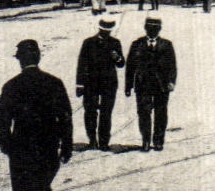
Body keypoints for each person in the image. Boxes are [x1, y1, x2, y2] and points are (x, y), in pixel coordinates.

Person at [0, 39, 73, 191]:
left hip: (20, 147)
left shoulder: (11, 86)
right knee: (42, 187)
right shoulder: (54, 83)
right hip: (48, 145)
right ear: (38, 58)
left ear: (20, 61)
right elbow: (65, 116)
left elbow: (1, 119)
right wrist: (66, 146)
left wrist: (6, 145)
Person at [126, 17, 178, 152]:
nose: (152, 31)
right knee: (144, 113)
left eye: (155, 29)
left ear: (159, 30)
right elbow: (130, 66)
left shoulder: (167, 45)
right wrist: (128, 86)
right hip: (143, 84)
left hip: (161, 85)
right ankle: (146, 141)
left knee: (161, 113)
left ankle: (158, 141)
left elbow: (172, 66)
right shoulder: (137, 44)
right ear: (145, 29)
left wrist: (171, 81)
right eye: (150, 28)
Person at [75, 16, 125, 150]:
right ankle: (92, 140)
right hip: (91, 83)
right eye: (104, 31)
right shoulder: (88, 43)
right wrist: (79, 85)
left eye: (109, 31)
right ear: (100, 29)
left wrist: (117, 58)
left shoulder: (115, 43)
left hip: (109, 84)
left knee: (106, 113)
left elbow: (121, 64)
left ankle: (103, 142)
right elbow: (81, 64)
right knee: (90, 112)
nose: (106, 33)